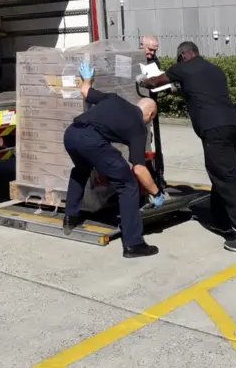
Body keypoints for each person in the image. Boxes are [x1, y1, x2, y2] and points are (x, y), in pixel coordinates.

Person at [142, 41, 236, 254]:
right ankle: (220, 220)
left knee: (227, 179)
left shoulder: (182, 67)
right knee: (221, 175)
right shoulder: (214, 70)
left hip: (214, 130)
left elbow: (154, 82)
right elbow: (199, 93)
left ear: (182, 55)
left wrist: (142, 78)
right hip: (233, 126)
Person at [63, 62, 163, 258]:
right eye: (151, 119)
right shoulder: (138, 128)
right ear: (149, 115)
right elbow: (139, 169)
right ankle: (134, 244)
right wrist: (156, 192)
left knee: (81, 169)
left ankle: (70, 216)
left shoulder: (114, 99)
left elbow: (86, 91)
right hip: (91, 141)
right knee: (128, 185)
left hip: (71, 134)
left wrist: (87, 78)